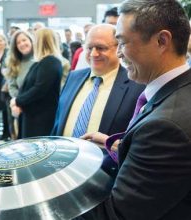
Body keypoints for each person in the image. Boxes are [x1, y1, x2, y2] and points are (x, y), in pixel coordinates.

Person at [79, 1, 191, 219]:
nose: (119, 54)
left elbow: (119, 213)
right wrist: (119, 146)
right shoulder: (178, 92)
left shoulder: (166, 127)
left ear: (162, 41)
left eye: (122, 43)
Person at [52, 24, 144, 176]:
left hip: (106, 176)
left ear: (118, 48)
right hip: (62, 170)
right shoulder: (74, 77)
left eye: (101, 48)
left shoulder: (136, 86)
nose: (94, 54)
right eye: (89, 48)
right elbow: (57, 123)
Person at [10, 28, 62, 138]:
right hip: (33, 117)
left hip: (40, 120)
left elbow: (39, 89)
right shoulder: (42, 62)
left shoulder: (50, 61)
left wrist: (17, 100)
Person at [5, 30, 35, 139]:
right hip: (21, 108)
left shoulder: (40, 60)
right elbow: (12, 86)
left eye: (24, 40)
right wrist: (19, 100)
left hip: (38, 109)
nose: (22, 44)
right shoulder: (14, 63)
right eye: (18, 42)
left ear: (31, 40)